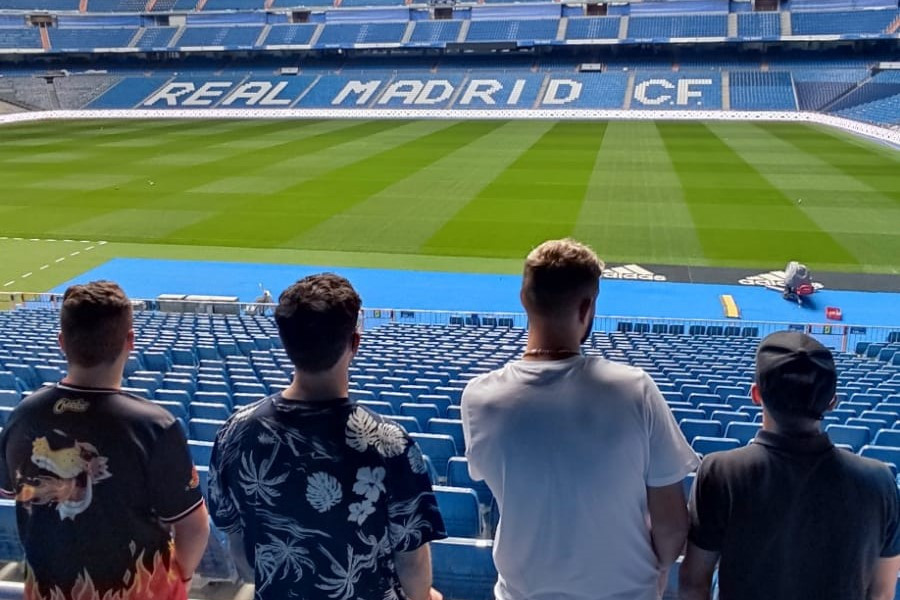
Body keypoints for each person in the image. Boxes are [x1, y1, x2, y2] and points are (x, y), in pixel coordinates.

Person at [462, 238, 699, 600]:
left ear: (524, 300)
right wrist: (661, 567)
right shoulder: (635, 390)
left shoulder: (479, 399)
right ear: (587, 307)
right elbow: (670, 526)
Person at [208, 273, 446, 600]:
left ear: (285, 340)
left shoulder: (235, 433)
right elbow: (413, 566)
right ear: (355, 343)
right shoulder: (391, 443)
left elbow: (245, 559)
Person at [0, 280, 209, 600]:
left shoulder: (23, 415)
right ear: (130, 342)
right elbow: (194, 528)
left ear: (62, 342)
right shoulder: (155, 426)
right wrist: (182, 576)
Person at [680, 331, 900, 600]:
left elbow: (693, 584)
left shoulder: (720, 473)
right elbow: (882, 593)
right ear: (832, 402)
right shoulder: (879, 481)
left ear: (756, 394)